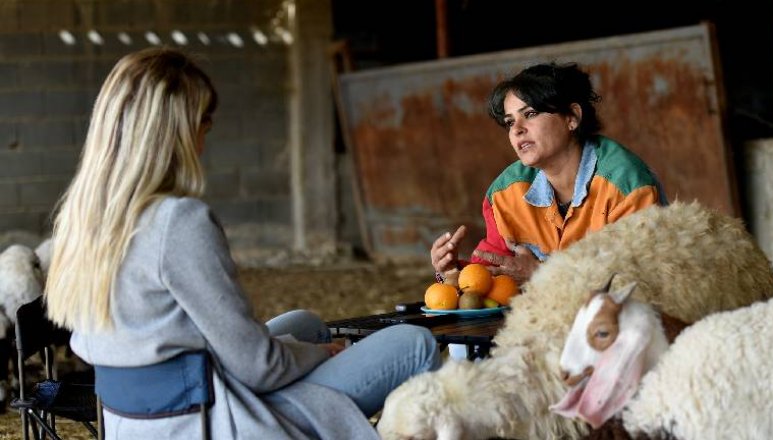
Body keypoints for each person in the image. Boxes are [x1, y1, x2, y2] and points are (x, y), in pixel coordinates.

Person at [44, 47, 440, 439]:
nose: (202, 142)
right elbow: (258, 367)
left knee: (306, 324)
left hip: (134, 421)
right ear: (175, 131)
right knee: (415, 343)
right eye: (202, 126)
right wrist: (320, 353)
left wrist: (303, 347)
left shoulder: (83, 220)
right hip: (205, 421)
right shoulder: (176, 222)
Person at [432, 61, 667, 291]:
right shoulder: (505, 193)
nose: (517, 129)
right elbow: (491, 277)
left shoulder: (626, 184)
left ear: (572, 117)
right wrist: (452, 275)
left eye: (531, 113)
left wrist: (542, 275)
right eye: (510, 121)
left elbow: (641, 283)